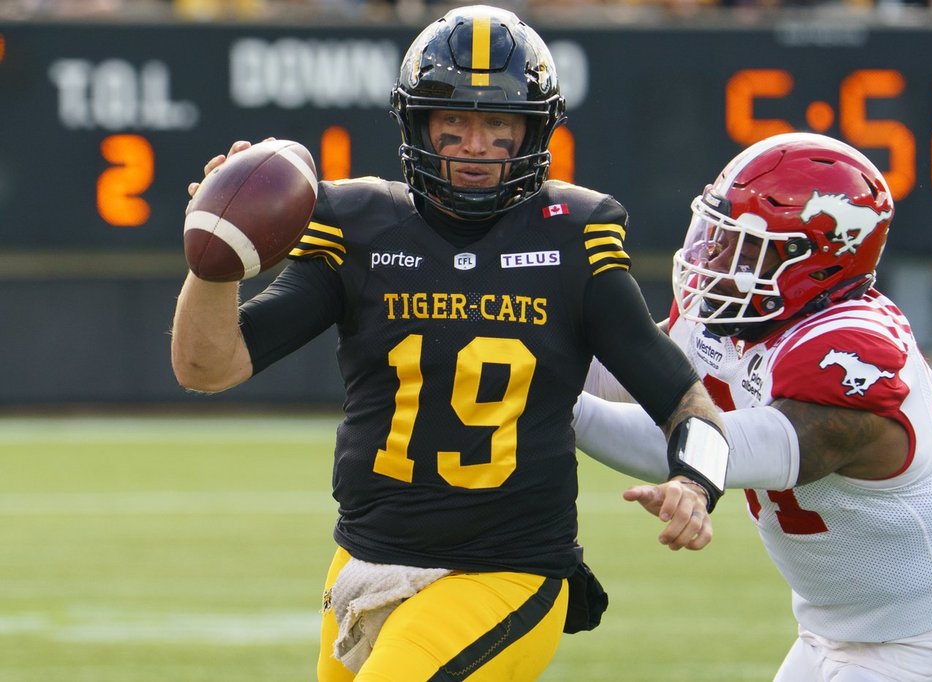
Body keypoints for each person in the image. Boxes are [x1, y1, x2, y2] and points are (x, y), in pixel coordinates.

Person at [171, 5, 728, 681]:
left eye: (499, 123)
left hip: (508, 572)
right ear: (417, 125)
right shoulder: (357, 224)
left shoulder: (575, 234)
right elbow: (209, 366)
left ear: (532, 131)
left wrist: (696, 484)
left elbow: (685, 401)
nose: (475, 144)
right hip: (362, 557)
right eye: (454, 122)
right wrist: (214, 261)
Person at [572, 132, 932, 681]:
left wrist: (563, 409)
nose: (713, 254)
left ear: (811, 258)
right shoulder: (737, 318)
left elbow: (715, 445)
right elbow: (635, 378)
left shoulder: (850, 353)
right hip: (838, 630)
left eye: (742, 244)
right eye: (717, 233)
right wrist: (518, 352)